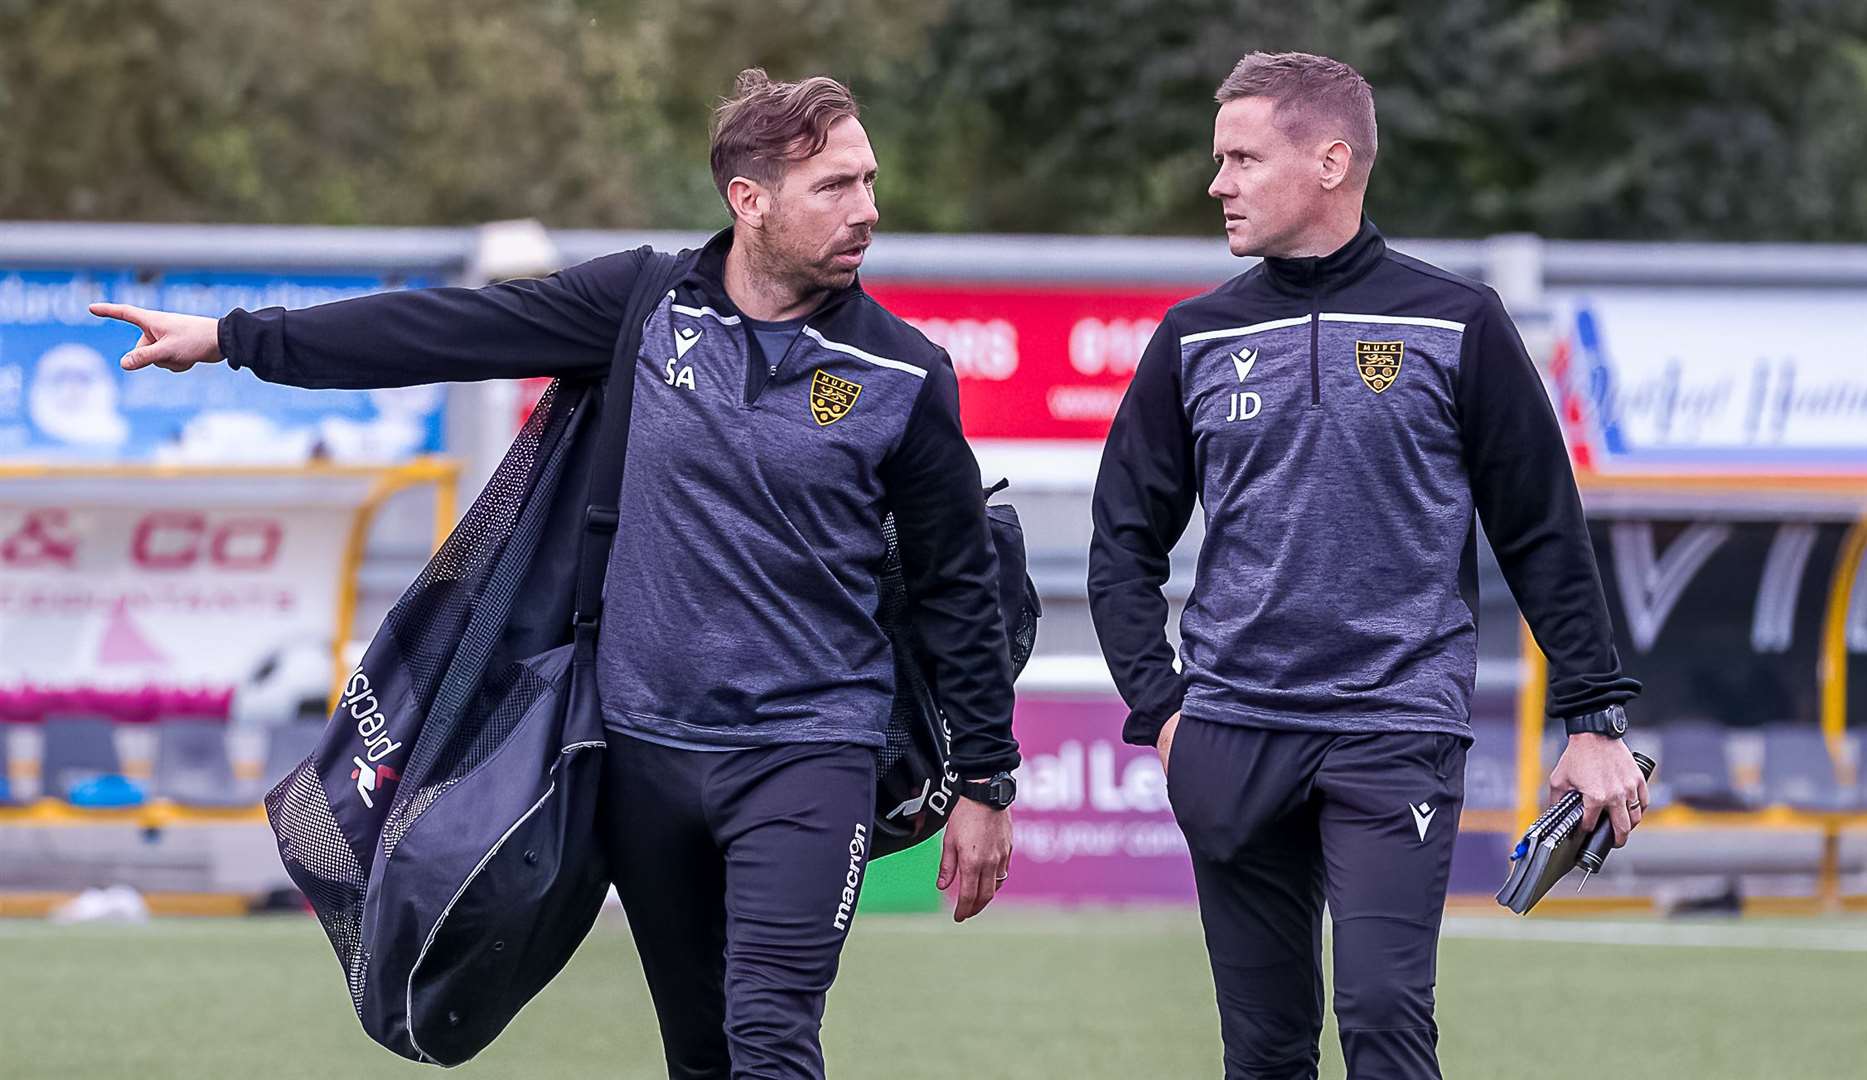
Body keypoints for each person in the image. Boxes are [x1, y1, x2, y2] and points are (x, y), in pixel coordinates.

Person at [91, 69, 1020, 1080]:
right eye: (834, 187)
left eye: (868, 181)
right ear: (748, 200)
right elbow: (445, 332)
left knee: (771, 1033)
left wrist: (982, 780)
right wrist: (235, 341)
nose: (868, 211)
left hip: (810, 752)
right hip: (639, 756)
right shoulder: (644, 303)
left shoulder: (902, 373)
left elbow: (957, 589)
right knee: (702, 1053)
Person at [1088, 51, 1645, 1080]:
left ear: (1331, 161)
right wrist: (1161, 712)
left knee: (1383, 1014)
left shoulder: (1458, 321)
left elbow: (1539, 527)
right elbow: (1121, 539)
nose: (1219, 183)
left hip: (1394, 729)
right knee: (1262, 1048)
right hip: (1232, 733)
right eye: (1221, 160)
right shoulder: (1195, 337)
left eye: (1243, 158)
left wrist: (1594, 718)